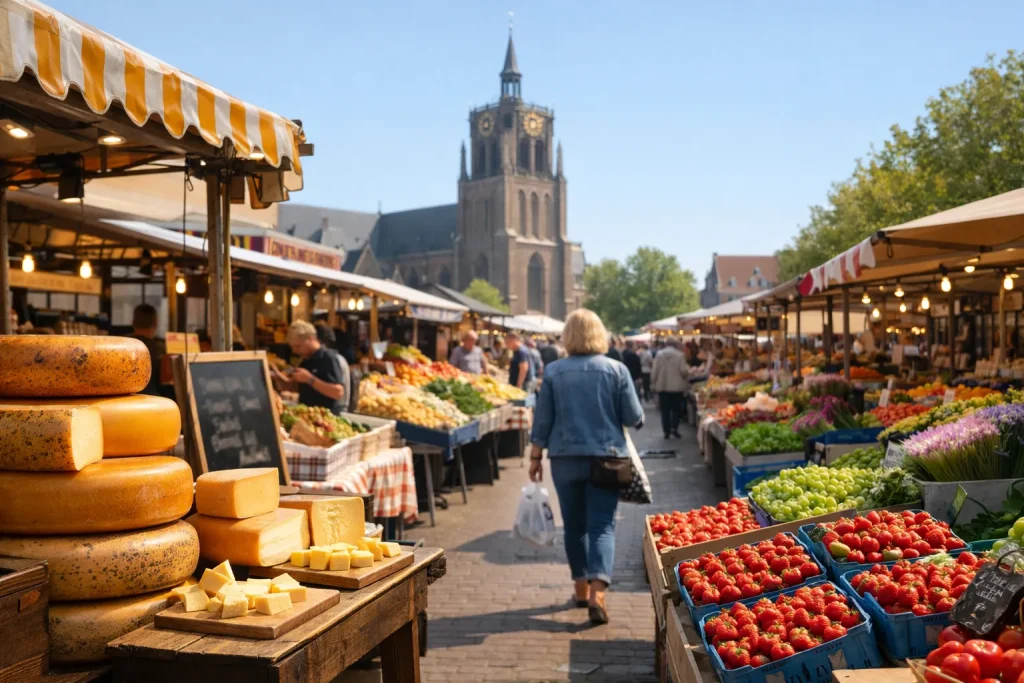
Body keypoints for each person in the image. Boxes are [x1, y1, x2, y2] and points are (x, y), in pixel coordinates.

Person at [528, 309, 643, 626]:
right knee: (602, 526)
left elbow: (543, 421)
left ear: (567, 336)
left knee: (574, 526)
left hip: (564, 458)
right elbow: (634, 417)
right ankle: (598, 594)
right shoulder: (616, 370)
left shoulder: (553, 371)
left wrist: (535, 458)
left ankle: (580, 589)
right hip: (606, 459)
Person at [270, 321, 346, 414]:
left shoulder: (328, 358)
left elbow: (338, 392)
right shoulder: (306, 360)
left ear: (311, 338)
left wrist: (310, 379)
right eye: (293, 347)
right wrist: (278, 378)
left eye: (298, 346)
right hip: (307, 415)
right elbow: (299, 388)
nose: (295, 351)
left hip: (325, 419)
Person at [651, 336, 689, 439]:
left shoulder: (659, 355)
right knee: (676, 410)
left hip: (662, 387)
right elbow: (684, 371)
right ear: (675, 344)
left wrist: (653, 383)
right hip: (677, 387)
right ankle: (674, 429)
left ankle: (666, 431)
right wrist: (688, 373)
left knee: (665, 410)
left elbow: (654, 371)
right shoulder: (680, 355)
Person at [129, 304, 166, 397]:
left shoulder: (121, 347)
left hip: (123, 401)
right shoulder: (161, 350)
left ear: (133, 322)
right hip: (154, 401)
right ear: (155, 323)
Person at [315, 323, 352, 410]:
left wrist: (309, 379)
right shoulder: (337, 357)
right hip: (341, 406)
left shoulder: (332, 358)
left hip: (337, 409)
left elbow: (337, 391)